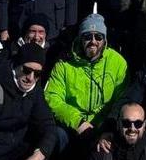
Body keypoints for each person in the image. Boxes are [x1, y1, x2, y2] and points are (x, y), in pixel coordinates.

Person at [45, 14, 129, 145]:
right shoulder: (65, 64)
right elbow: (52, 98)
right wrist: (78, 122)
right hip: (72, 125)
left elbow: (122, 99)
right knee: (55, 137)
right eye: (88, 37)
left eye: (99, 37)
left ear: (105, 40)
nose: (93, 41)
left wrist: (108, 127)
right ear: (80, 38)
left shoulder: (118, 63)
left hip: (104, 127)